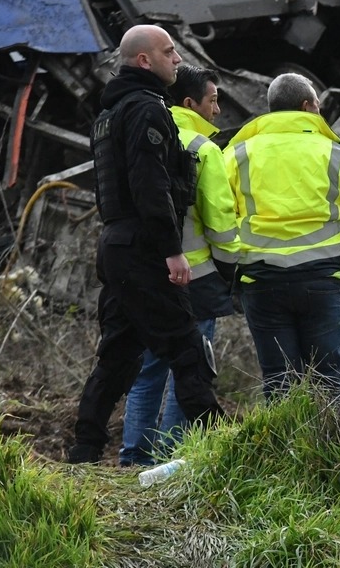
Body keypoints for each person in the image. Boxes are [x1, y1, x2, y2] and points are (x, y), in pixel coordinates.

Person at [67, 25, 224, 464]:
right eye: (169, 51)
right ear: (144, 60)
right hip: (143, 246)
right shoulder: (146, 109)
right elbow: (150, 186)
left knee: (118, 355)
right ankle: (225, 452)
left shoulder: (109, 113)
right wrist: (172, 251)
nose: (177, 59)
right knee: (188, 350)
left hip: (116, 244)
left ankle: (84, 451)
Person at [224, 73, 340, 398]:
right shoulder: (338, 155)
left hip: (260, 279)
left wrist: (235, 270)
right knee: (329, 380)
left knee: (278, 381)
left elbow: (219, 217)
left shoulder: (236, 155)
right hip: (323, 279)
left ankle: (285, 434)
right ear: (308, 106)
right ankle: (331, 433)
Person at [119, 65, 238, 467]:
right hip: (195, 279)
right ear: (191, 103)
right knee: (191, 371)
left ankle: (134, 458)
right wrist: (230, 271)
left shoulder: (140, 134)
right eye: (213, 101)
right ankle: (172, 457)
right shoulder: (203, 148)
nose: (217, 110)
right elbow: (220, 223)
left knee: (149, 367)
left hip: (143, 273)